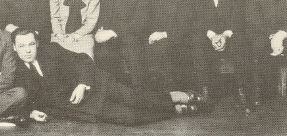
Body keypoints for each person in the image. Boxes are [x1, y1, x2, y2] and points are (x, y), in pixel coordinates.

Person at [12, 29, 202, 126]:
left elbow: (82, 59)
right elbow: (25, 98)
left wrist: (82, 83)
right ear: (14, 48)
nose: (27, 50)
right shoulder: (16, 71)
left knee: (134, 98)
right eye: (21, 46)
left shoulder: (51, 50)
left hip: (94, 83)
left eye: (31, 44)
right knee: (131, 118)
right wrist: (30, 112)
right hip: (79, 104)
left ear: (37, 43)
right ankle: (175, 110)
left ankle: (178, 96)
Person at [188, 0, 250, 111]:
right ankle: (204, 91)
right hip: (205, 35)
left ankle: (241, 90)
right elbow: (193, 19)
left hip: (229, 33)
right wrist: (212, 35)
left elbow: (239, 16)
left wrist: (225, 34)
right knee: (196, 42)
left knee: (242, 41)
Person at [95, 0, 150, 88]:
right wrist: (97, 32)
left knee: (134, 63)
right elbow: (93, 14)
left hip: (130, 40)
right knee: (102, 58)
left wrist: (112, 32)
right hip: (102, 41)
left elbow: (140, 22)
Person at [145, 0, 192, 92]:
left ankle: (172, 94)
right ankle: (164, 98)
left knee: (164, 49)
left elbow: (184, 24)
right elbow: (144, 21)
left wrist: (164, 34)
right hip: (152, 39)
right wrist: (152, 36)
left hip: (178, 39)